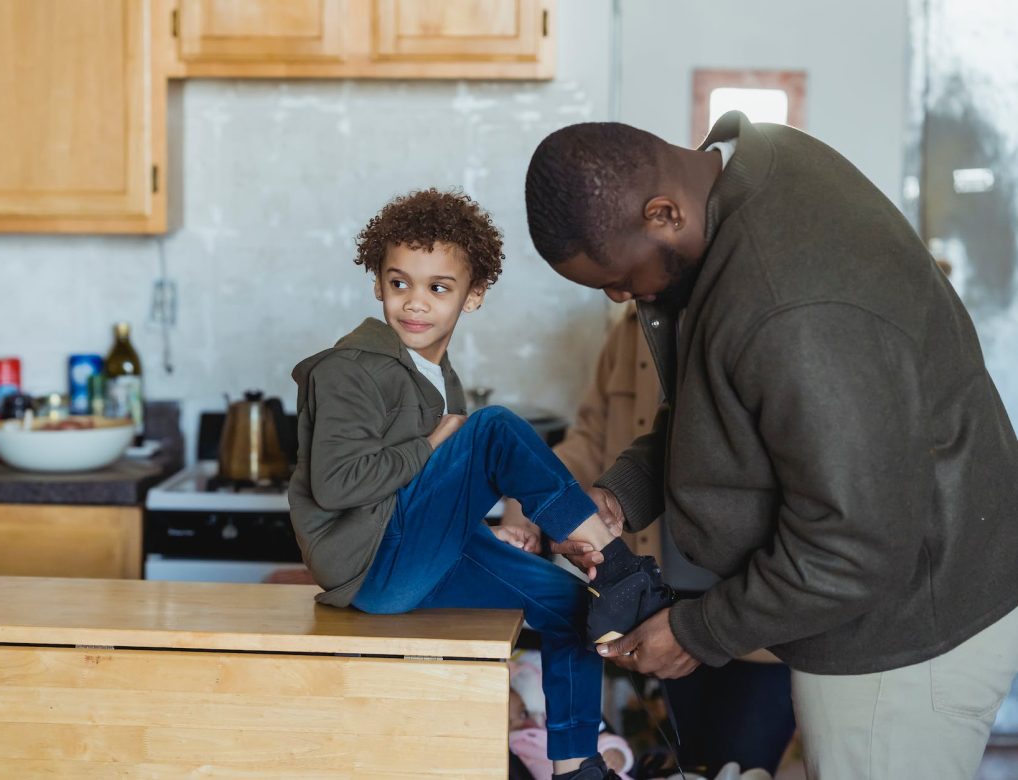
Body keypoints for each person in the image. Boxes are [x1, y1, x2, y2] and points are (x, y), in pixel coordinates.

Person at [522, 113, 1018, 779]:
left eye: (616, 277)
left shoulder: (792, 307)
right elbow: (733, 414)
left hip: (906, 635)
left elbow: (852, 547)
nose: (617, 296)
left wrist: (698, 632)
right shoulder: (761, 163)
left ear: (664, 213)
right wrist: (622, 492)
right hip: (896, 588)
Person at [287, 188, 672, 780]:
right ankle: (619, 566)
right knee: (493, 428)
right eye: (399, 283)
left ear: (474, 296)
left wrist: (503, 527)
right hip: (370, 565)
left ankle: (575, 765)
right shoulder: (349, 369)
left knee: (577, 608)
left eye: (439, 287)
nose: (415, 303)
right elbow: (337, 483)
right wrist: (436, 443)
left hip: (420, 556)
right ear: (377, 285)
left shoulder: (441, 381)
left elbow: (436, 494)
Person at [501, 308, 796, 776]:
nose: (615, 292)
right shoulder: (632, 330)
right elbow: (591, 438)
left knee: (742, 761)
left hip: (755, 600)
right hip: (667, 597)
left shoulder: (750, 321)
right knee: (693, 757)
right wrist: (526, 495)